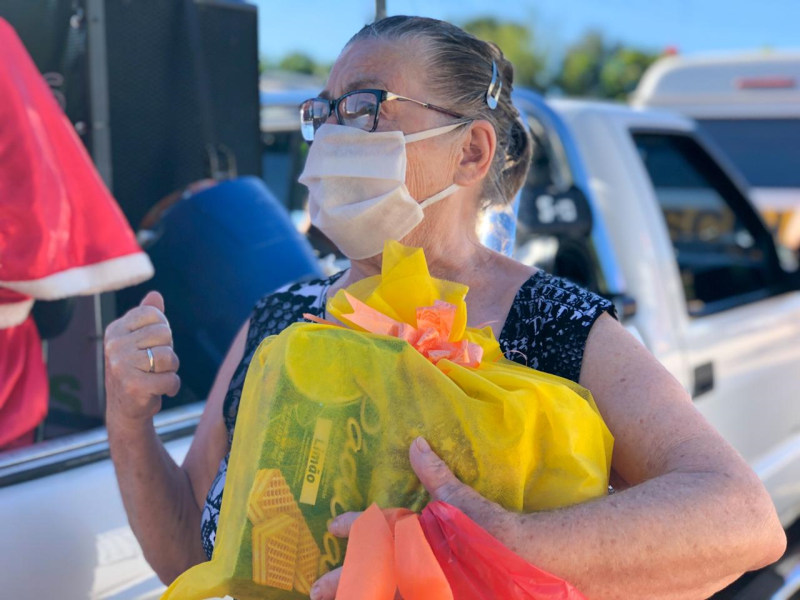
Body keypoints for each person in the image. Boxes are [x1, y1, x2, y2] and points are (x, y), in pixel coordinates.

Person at [104, 16, 786, 599]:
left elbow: (741, 517)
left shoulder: (551, 323)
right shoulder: (279, 318)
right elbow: (189, 559)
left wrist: (499, 546)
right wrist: (130, 419)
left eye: (367, 107)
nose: (336, 134)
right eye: (327, 111)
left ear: (470, 151)